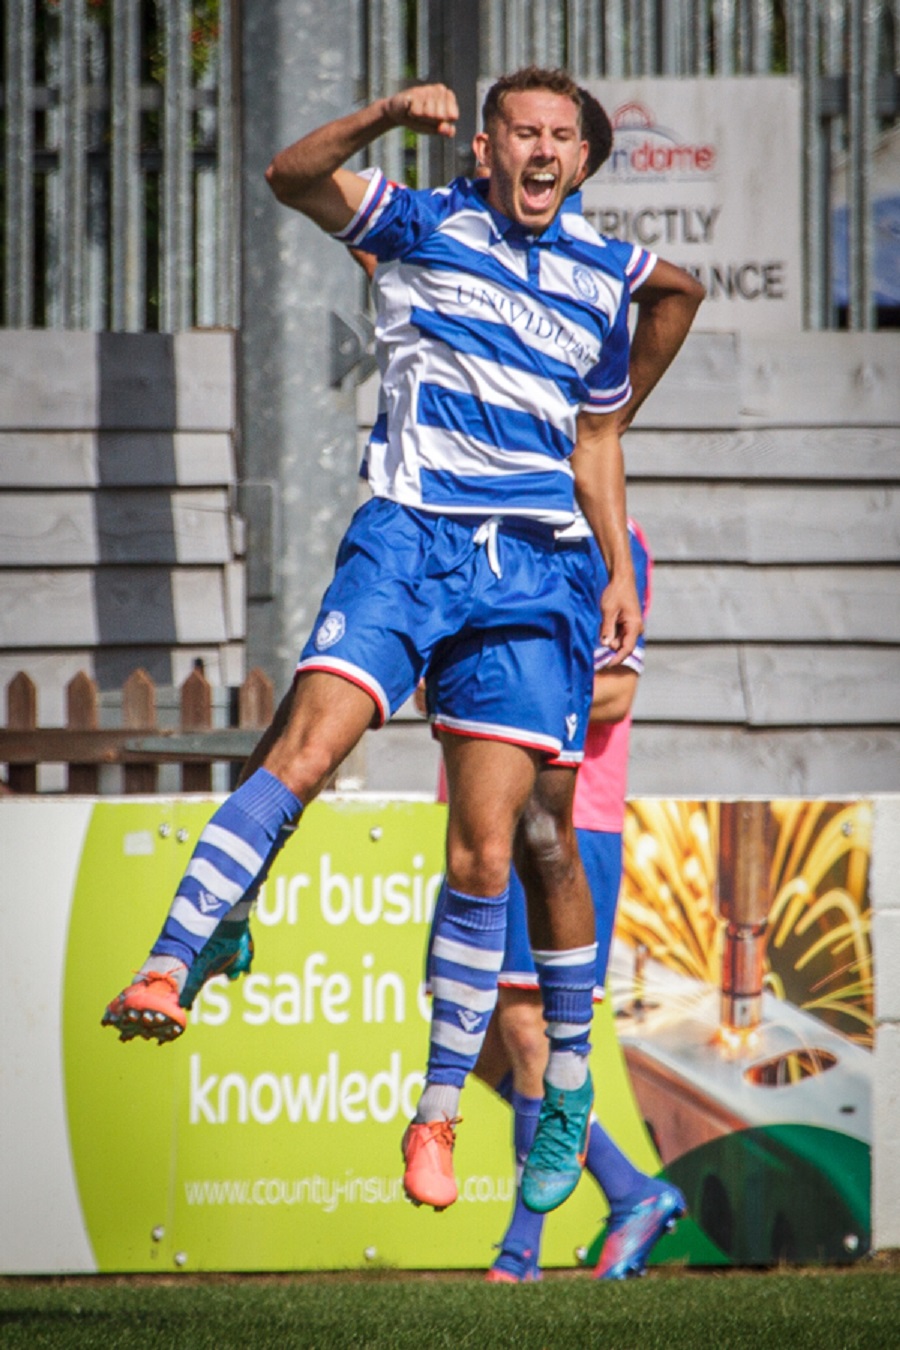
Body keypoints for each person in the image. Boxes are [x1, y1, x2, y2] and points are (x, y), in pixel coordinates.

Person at [103, 67, 645, 1217]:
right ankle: (174, 952)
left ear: (584, 159)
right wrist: (389, 115)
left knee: (492, 855)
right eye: (521, 132)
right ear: (487, 149)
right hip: (405, 541)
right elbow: (291, 174)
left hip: (531, 571)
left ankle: (459, 1111)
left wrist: (611, 569)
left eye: (561, 136)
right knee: (305, 748)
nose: (541, 151)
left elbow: (603, 430)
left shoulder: (606, 278)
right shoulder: (423, 222)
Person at [476, 521, 686, 1283]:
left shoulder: (610, 540)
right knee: (476, 1041)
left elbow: (617, 691)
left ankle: (519, 1256)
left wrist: (499, 694)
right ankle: (633, 1192)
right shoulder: (473, 520)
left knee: (532, 1031)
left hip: (567, 824)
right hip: (485, 821)